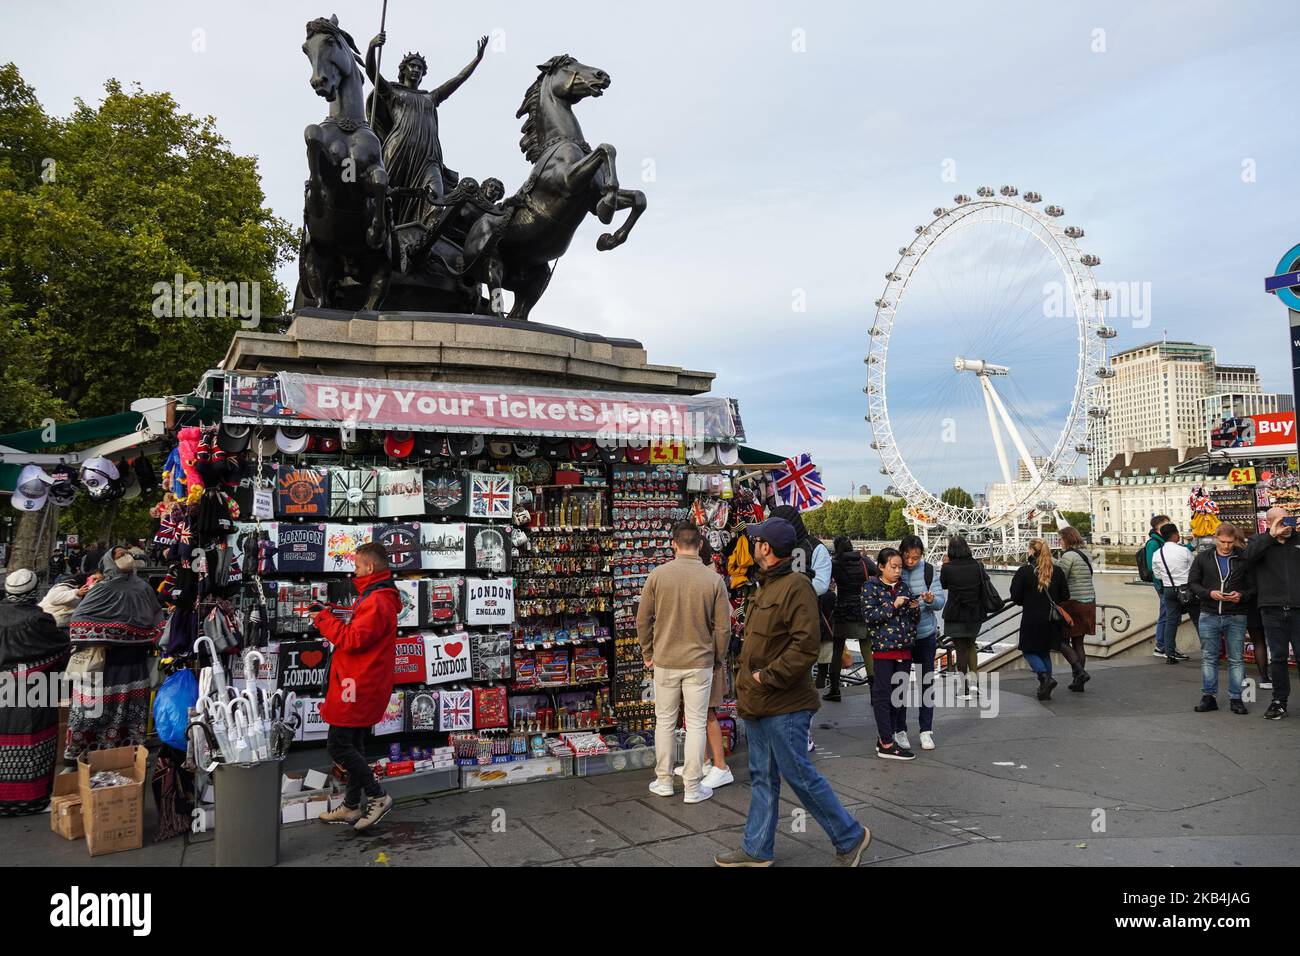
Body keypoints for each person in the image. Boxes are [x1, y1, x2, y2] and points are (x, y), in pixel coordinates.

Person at [714, 517, 871, 867]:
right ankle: (756, 849)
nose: (753, 545)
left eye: (756, 541)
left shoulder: (795, 586)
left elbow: (805, 647)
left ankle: (850, 835)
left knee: (799, 773)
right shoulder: (767, 585)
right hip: (759, 702)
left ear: (766, 548)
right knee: (762, 776)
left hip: (782, 702)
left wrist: (764, 677)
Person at [637, 522, 731, 803]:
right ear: (700, 545)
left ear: (673, 544)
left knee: (664, 721)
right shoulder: (713, 579)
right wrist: (717, 656)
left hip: (665, 660)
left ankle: (664, 780)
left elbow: (643, 620)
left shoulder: (657, 576)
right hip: (700, 662)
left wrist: (647, 653)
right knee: (696, 722)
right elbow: (723, 628)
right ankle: (692, 786)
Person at [312, 542, 401, 828]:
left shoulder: (377, 600)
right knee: (354, 743)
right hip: (361, 681)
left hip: (358, 684)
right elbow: (360, 628)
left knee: (338, 746)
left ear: (370, 567)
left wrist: (324, 620)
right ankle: (351, 806)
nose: (354, 571)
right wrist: (332, 610)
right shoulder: (376, 596)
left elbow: (351, 639)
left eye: (357, 566)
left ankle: (377, 796)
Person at [365, 30, 489, 224]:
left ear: (423, 74)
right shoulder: (392, 93)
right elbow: (372, 72)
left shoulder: (431, 97)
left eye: (419, 67)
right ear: (404, 70)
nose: (415, 69)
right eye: (412, 66)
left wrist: (477, 59)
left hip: (429, 157)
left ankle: (426, 239)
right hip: (398, 152)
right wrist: (372, 47)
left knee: (435, 197)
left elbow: (458, 79)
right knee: (386, 198)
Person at [65, 549, 163, 764]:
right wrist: (129, 633)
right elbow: (80, 622)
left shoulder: (143, 589)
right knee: (93, 711)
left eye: (127, 553)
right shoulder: (100, 589)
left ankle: (125, 754)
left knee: (127, 710)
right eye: (119, 554)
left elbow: (157, 621)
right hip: (103, 664)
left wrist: (115, 633)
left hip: (131, 664)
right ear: (109, 560)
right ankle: (84, 755)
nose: (125, 556)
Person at [0, 569, 70, 815]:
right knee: (37, 742)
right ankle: (33, 799)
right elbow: (61, 648)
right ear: (33, 592)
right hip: (35, 689)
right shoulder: (38, 620)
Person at [1188, 522, 1252, 715]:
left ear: (1235, 541)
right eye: (1222, 542)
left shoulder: (1243, 559)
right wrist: (1209, 593)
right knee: (1209, 657)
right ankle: (1209, 697)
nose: (1226, 546)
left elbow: (1253, 587)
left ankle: (1236, 698)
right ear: (1215, 538)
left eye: (1230, 542)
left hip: (1236, 614)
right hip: (1209, 612)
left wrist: (1241, 595)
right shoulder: (1202, 558)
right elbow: (1192, 583)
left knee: (1236, 659)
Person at [863, 548, 921, 758]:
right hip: (884, 650)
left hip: (904, 649)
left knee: (898, 695)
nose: (897, 571)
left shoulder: (904, 587)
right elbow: (870, 616)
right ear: (881, 567)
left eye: (899, 567)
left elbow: (913, 620)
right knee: (882, 695)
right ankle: (886, 741)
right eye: (893, 567)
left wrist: (915, 608)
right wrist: (892, 605)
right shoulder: (871, 587)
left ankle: (891, 736)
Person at [1244, 507, 1300, 720]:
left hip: (1298, 607)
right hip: (1272, 608)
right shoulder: (1259, 542)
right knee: (1277, 658)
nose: (1285, 525)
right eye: (1279, 521)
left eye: (1287, 519)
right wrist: (1271, 537)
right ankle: (1279, 701)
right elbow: (1247, 558)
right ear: (1268, 523)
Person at [897, 535, 945, 751]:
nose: (910, 562)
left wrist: (930, 600)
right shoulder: (894, 567)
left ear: (921, 556)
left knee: (926, 682)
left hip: (925, 634)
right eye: (907, 557)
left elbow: (940, 601)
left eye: (915, 558)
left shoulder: (928, 570)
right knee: (900, 683)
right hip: (901, 636)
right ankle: (900, 730)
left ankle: (926, 730)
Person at [1009, 539, 1071, 701]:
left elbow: (1015, 596)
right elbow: (1065, 595)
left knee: (1028, 650)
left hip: (1031, 617)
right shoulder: (1056, 571)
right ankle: (1045, 688)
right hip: (1051, 619)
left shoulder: (1024, 572)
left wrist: (1028, 600)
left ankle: (1044, 678)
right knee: (1044, 652)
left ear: (1031, 551)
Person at [824, 536, 870, 702]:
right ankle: (874, 689)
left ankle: (835, 689)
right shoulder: (863, 562)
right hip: (861, 608)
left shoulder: (834, 564)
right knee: (866, 647)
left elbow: (824, 581)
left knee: (837, 650)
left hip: (842, 607)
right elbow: (879, 573)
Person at [940, 535, 983, 700]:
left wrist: (945, 564)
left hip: (955, 613)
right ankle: (974, 686)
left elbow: (943, 585)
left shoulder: (948, 568)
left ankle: (963, 688)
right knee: (971, 646)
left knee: (960, 650)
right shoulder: (977, 566)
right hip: (974, 613)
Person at [1152, 523, 1199, 664]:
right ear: (1174, 535)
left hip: (1169, 590)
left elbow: (1158, 575)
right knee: (1197, 619)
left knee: (1171, 621)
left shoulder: (1157, 554)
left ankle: (1170, 654)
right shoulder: (1184, 551)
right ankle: (1209, 651)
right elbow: (1194, 570)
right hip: (1186, 589)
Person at [1056, 526, 1095, 691]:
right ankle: (1078, 680)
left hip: (1073, 603)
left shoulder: (1068, 556)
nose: (1059, 542)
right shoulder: (1086, 554)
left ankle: (1079, 672)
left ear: (1067, 539)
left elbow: (1060, 578)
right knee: (1079, 643)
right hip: (1089, 602)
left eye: (1061, 539)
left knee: (1061, 641)